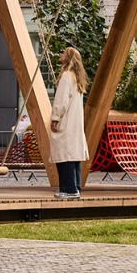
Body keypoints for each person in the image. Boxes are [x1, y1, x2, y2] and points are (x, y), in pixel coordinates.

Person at [47, 46, 89, 201]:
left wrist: (55, 117)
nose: (61, 54)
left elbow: (61, 100)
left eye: (64, 52)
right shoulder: (77, 79)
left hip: (66, 122)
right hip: (75, 124)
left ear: (69, 58)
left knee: (64, 156)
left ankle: (68, 188)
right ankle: (75, 187)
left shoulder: (66, 76)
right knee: (73, 155)